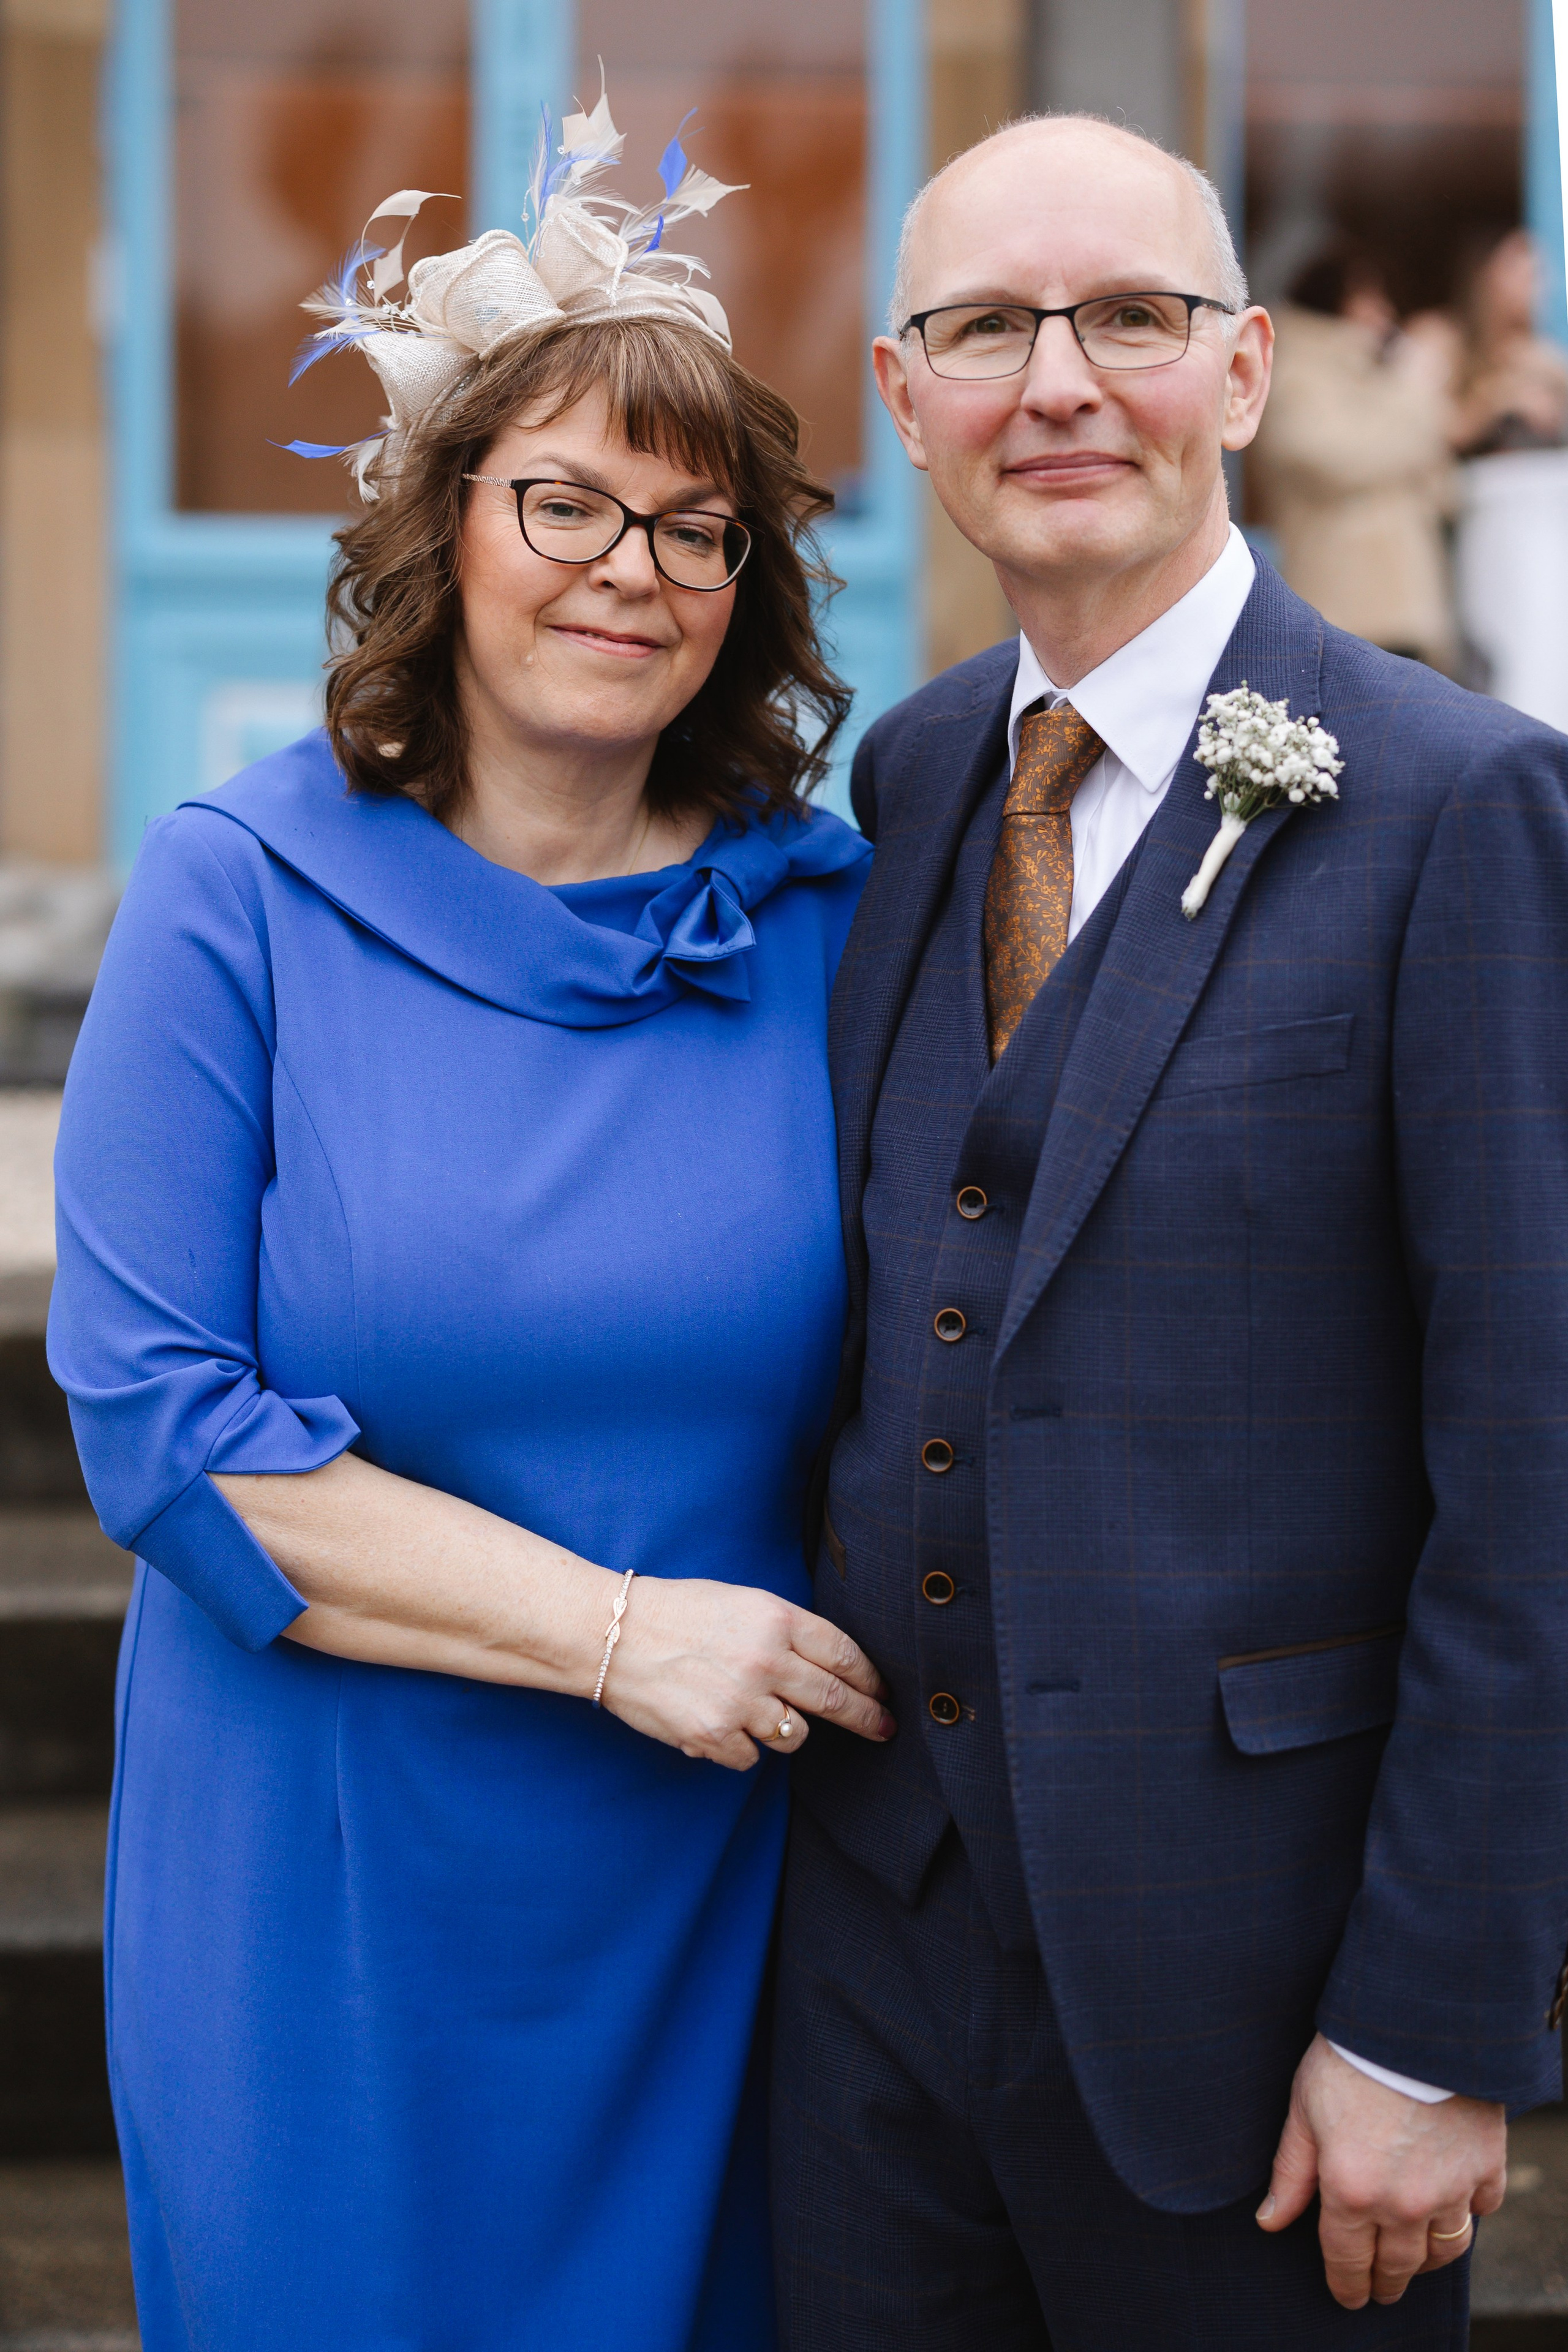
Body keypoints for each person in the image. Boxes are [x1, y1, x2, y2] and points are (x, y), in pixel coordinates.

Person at [48, 94, 889, 2352]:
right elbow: (155, 1421)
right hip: (328, 1883)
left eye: (693, 530)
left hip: (716, 1891)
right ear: (442, 525)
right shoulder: (238, 894)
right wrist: (621, 1634)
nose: (628, 567)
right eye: (566, 503)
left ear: (747, 593)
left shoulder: (827, 925)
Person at [772, 111, 1568, 2350]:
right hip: (861, 2006)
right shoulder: (912, 778)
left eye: (1124, 317)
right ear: (901, 395)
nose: (1053, 383)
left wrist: (1435, 2023)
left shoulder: (1451, 803)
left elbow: (1533, 1465)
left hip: (1257, 2021)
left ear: (1237, 374)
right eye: (981, 329)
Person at [1250, 242, 1456, 668]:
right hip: (1346, 603)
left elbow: (1442, 484)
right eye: (1369, 297)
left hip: (1400, 603)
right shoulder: (1296, 377)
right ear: (1333, 301)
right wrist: (1419, 394)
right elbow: (1340, 459)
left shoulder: (1376, 374)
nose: (1383, 312)